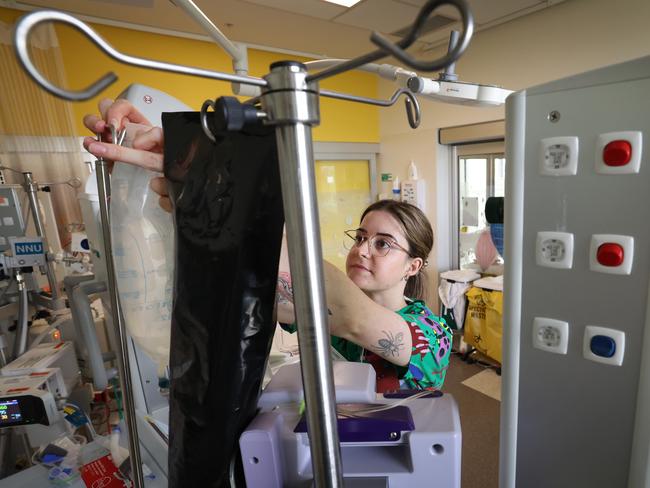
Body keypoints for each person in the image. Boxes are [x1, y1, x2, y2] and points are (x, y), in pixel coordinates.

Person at [83, 99, 453, 392]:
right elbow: (251, 287)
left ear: (413, 266)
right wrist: (173, 182)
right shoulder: (323, 310)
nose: (363, 249)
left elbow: (355, 319)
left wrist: (229, 196)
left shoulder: (431, 335)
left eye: (383, 244)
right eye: (360, 237)